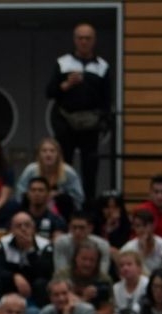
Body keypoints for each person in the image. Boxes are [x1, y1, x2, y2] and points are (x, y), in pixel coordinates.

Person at [48, 24, 111, 200]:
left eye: (88, 38)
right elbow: (49, 92)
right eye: (80, 38)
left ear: (94, 40)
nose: (84, 42)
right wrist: (66, 85)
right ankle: (63, 202)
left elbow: (107, 98)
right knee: (64, 166)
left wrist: (104, 121)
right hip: (66, 121)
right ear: (75, 40)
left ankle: (88, 206)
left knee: (90, 167)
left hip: (90, 124)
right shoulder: (63, 62)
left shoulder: (103, 66)